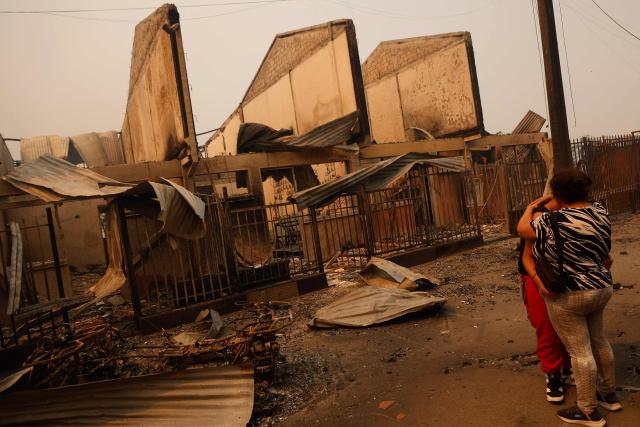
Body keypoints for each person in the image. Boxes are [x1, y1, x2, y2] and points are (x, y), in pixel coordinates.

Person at [517, 169, 620, 427]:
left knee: (580, 353)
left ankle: (587, 410)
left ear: (558, 195)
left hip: (572, 294)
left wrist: (532, 207)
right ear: (586, 190)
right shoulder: (599, 212)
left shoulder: (552, 222)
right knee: (600, 342)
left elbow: (520, 230)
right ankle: (608, 394)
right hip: (601, 288)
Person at [517, 197, 572, 405]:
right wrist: (539, 282)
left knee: (569, 325)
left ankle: (567, 366)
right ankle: (553, 373)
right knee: (546, 327)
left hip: (566, 274)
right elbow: (526, 254)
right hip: (536, 275)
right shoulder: (538, 215)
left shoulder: (579, 210)